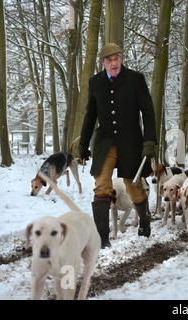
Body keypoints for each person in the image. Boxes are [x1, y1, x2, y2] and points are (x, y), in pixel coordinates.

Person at [78, 43, 157, 248]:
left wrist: (149, 142)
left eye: (117, 58)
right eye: (110, 60)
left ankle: (144, 219)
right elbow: (90, 115)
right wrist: (83, 144)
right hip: (105, 143)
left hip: (131, 142)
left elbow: (148, 112)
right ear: (103, 63)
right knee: (102, 185)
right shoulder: (95, 82)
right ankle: (102, 238)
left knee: (134, 187)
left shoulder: (135, 79)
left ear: (121, 59)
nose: (114, 63)